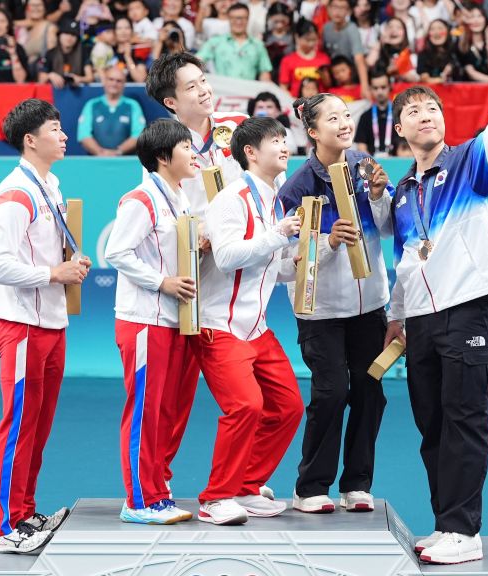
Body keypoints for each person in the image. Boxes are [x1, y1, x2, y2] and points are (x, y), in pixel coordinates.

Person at [383, 32, 488, 565]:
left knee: (465, 417)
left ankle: (465, 531)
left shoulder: (473, 161)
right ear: (398, 128)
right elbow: (404, 259)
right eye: (415, 112)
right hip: (420, 320)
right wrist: (396, 316)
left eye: (433, 109)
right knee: (432, 424)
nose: (427, 116)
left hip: (468, 307)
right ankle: (446, 524)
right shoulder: (402, 194)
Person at [277, 92, 393, 516]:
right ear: (312, 131)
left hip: (370, 307)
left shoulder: (366, 168)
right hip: (321, 312)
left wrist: (380, 196)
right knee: (331, 392)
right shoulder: (297, 187)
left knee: (369, 390)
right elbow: (282, 262)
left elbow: (393, 226)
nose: (345, 123)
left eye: (347, 115)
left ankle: (357, 484)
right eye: (333, 118)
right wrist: (326, 243)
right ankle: (310, 486)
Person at [0, 98, 91, 554]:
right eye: (54, 129)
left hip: (51, 321)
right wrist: (54, 274)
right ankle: (8, 526)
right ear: (30, 141)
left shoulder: (51, 184)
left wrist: (70, 261)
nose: (64, 135)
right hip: (22, 325)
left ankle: (26, 511)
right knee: (19, 422)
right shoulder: (15, 194)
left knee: (39, 423)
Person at [145, 52, 251, 497]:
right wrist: (203, 232)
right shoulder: (163, 146)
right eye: (191, 87)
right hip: (192, 283)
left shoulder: (237, 128)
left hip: (240, 285)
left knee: (257, 397)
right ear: (171, 102)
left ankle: (246, 481)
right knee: (174, 399)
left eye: (204, 80)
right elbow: (168, 211)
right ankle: (153, 487)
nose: (204, 90)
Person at [194, 116, 305, 525]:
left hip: (255, 328)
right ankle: (215, 498)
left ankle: (246, 485)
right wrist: (278, 235)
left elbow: (273, 266)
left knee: (288, 406)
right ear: (250, 153)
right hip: (219, 326)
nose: (284, 145)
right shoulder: (231, 199)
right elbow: (225, 258)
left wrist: (311, 255)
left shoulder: (273, 199)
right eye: (274, 140)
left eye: (284, 138)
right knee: (245, 405)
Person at [104, 119, 197, 525]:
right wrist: (162, 282)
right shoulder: (141, 199)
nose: (193, 154)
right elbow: (117, 252)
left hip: (174, 320)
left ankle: (157, 489)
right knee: (145, 410)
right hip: (144, 320)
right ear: (163, 157)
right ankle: (139, 500)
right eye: (185, 147)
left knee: (166, 411)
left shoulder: (180, 197)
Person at [78, 65, 146, 156]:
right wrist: (100, 153)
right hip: (96, 162)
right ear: (104, 81)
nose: (114, 83)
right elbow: (84, 134)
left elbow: (139, 134)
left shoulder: (132, 105)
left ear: (124, 84)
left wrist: (117, 152)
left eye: (119, 81)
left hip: (126, 163)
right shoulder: (92, 105)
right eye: (111, 79)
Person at [197, 3, 273, 81]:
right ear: (228, 19)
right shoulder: (215, 42)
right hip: (222, 91)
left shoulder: (258, 45)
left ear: (248, 19)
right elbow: (196, 62)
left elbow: (265, 75)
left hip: (247, 91)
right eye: (234, 18)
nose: (238, 22)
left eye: (242, 18)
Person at [321, 0, 370, 98]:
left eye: (342, 8)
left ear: (349, 11)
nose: (338, 12)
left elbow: (359, 59)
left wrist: (365, 86)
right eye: (335, 7)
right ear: (329, 8)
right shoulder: (326, 28)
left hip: (351, 78)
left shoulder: (352, 29)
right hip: (334, 77)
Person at [278, 19, 330, 97]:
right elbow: (283, 87)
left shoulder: (324, 58)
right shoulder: (287, 60)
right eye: (307, 40)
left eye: (314, 39)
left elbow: (328, 85)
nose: (311, 43)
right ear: (297, 37)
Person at [456, 3, 488, 83]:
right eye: (471, 17)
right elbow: (470, 72)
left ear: (485, 18)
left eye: (479, 16)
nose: (476, 20)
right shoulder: (462, 43)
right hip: (470, 90)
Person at [38, 16, 92, 87]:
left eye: (73, 35)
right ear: (59, 35)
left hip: (77, 92)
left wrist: (79, 79)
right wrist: (50, 75)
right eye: (66, 33)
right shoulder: (51, 53)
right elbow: (41, 79)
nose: (69, 38)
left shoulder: (83, 53)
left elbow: (90, 77)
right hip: (55, 91)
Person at [354, 68, 397, 156]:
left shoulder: (399, 114)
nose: (379, 92)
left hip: (397, 163)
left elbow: (406, 144)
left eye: (383, 87)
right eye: (375, 88)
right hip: (371, 166)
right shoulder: (365, 116)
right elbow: (361, 147)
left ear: (390, 87)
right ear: (370, 89)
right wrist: (371, 165)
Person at [15, 0, 57, 70]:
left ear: (45, 8)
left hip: (38, 72)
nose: (36, 8)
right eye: (32, 5)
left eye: (39, 5)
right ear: (26, 9)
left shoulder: (49, 28)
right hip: (19, 72)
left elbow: (51, 57)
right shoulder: (21, 28)